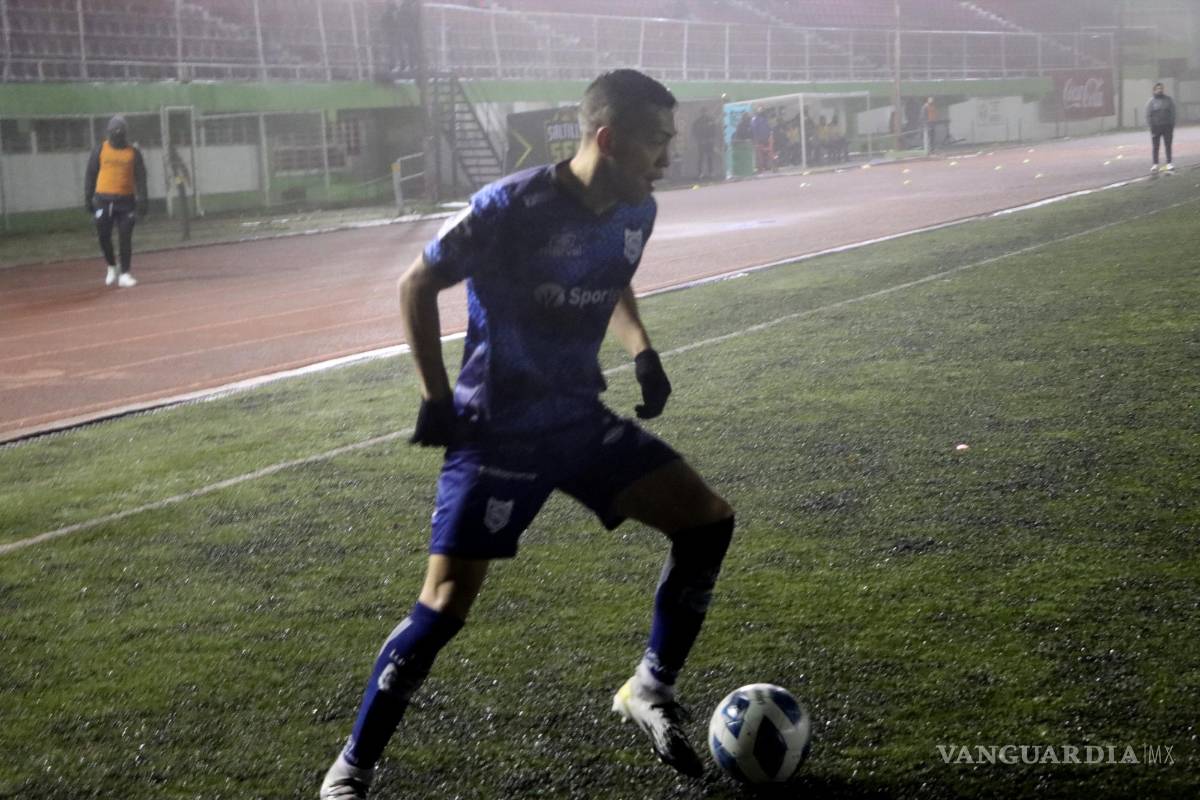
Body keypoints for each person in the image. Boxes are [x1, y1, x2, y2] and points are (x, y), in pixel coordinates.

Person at [319, 69, 735, 799]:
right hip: (497, 434)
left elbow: (611, 275)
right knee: (445, 605)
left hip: (576, 422)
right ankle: (349, 771)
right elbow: (415, 284)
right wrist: (435, 400)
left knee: (706, 521)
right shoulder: (509, 207)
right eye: (657, 142)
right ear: (607, 139)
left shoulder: (638, 211)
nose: (669, 157)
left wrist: (641, 348)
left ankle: (648, 688)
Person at [84, 115, 148, 288]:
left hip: (126, 201)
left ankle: (125, 274)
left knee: (125, 237)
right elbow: (91, 174)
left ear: (125, 134)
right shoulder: (100, 150)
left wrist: (143, 201)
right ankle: (112, 266)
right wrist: (88, 198)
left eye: (120, 133)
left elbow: (141, 178)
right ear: (109, 133)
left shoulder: (133, 152)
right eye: (114, 133)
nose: (117, 136)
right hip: (103, 200)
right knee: (104, 236)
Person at [1146, 82, 1176, 174]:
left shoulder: (1168, 100)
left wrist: (1171, 124)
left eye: (1161, 88)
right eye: (1158, 89)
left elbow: (1173, 113)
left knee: (1168, 145)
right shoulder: (1151, 102)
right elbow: (1148, 115)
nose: (1160, 90)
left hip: (1167, 126)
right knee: (1156, 146)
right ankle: (1155, 164)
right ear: (1154, 90)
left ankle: (1169, 163)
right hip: (1156, 127)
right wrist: (1151, 126)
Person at [166, 143, 191, 241]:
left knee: (183, 210)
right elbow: (183, 171)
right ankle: (185, 233)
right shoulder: (176, 160)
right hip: (180, 185)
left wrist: (178, 182)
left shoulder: (174, 160)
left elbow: (179, 173)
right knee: (183, 210)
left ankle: (185, 233)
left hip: (180, 186)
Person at [690, 107, 718, 179]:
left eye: (705, 112)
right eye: (703, 112)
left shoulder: (711, 120)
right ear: (700, 113)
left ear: (707, 112)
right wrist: (698, 139)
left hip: (709, 142)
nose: (704, 113)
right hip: (701, 142)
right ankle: (700, 173)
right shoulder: (697, 121)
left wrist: (712, 139)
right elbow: (694, 131)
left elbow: (714, 130)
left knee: (709, 157)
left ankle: (711, 172)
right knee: (701, 158)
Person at [751, 106, 772, 172]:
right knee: (759, 154)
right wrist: (756, 139)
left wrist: (769, 135)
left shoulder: (765, 119)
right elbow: (754, 129)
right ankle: (760, 167)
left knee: (766, 152)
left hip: (766, 138)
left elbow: (768, 128)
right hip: (759, 139)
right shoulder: (755, 119)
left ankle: (766, 166)